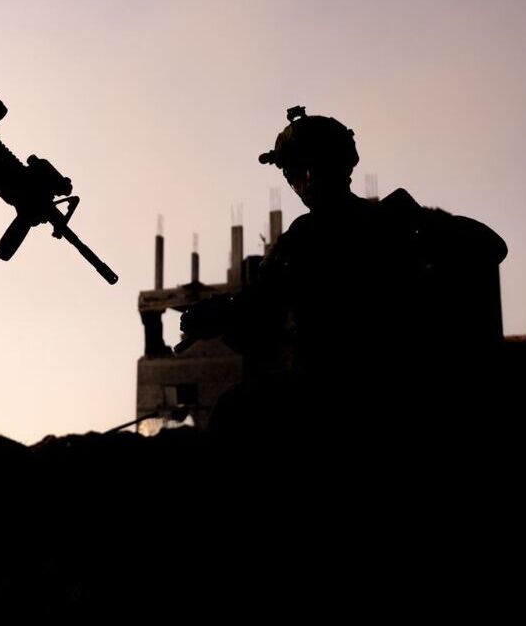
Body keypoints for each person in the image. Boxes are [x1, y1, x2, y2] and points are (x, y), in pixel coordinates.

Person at [179, 107, 508, 461]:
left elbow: (486, 247)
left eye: (296, 172)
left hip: (344, 397)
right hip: (388, 396)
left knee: (235, 414)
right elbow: (259, 314)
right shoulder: (384, 222)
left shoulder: (310, 239)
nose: (297, 184)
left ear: (313, 171)